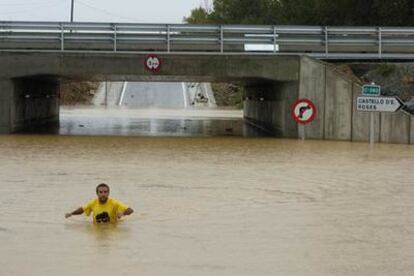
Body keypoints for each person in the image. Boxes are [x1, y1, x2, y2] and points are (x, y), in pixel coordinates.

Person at [65, 183, 134, 224]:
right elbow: (82, 210)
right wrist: (71, 214)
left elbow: (130, 210)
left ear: (108, 193)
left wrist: (123, 213)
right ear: (97, 193)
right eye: (100, 192)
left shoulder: (114, 203)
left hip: (111, 226)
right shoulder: (93, 203)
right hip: (96, 226)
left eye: (105, 192)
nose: (103, 194)